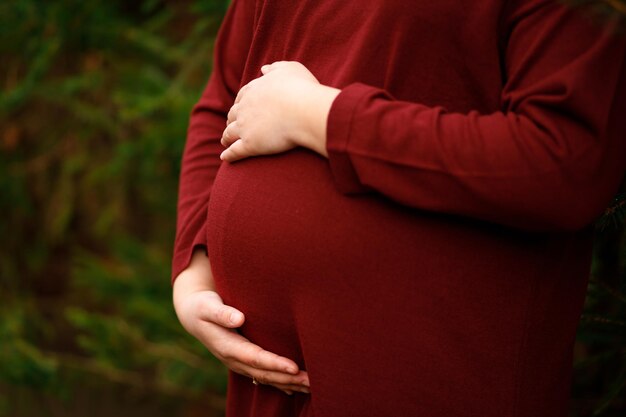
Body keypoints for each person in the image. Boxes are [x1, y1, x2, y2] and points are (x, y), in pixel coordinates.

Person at [171, 0, 626, 416]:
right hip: (265, 383)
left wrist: (324, 118)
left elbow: (565, 162)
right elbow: (224, 97)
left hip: (434, 371)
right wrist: (195, 270)